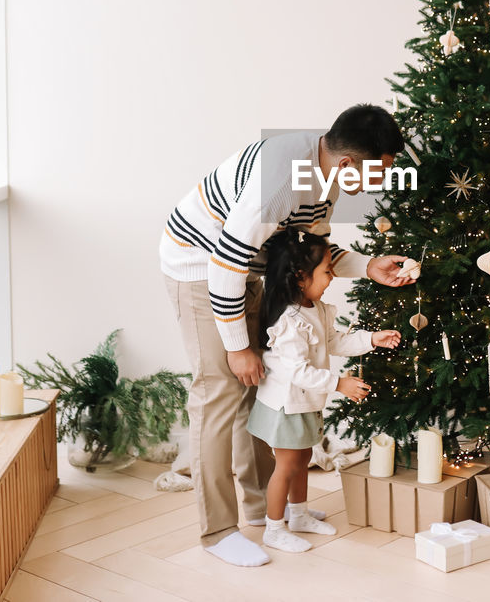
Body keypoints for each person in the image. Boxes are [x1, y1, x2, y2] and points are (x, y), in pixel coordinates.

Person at [159, 105, 414, 567]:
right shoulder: (280, 184)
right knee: (220, 392)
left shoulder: (327, 172)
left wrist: (367, 266)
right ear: (348, 163)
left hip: (248, 270)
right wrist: (238, 347)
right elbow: (225, 264)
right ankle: (217, 532)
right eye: (382, 169)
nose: (385, 178)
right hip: (201, 267)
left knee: (258, 388)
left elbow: (306, 249)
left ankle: (263, 510)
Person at [249, 228, 401, 553]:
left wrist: (371, 339)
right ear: (301, 277)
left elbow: (334, 341)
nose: (332, 278)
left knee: (303, 459)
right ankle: (274, 528)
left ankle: (299, 514)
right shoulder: (289, 321)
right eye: (327, 272)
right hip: (286, 405)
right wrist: (339, 384)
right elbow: (298, 371)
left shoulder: (314, 307)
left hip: (303, 402)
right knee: (287, 466)